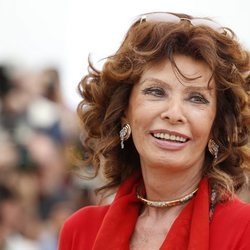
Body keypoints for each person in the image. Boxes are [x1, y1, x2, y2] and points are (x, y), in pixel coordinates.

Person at [58, 11, 250, 250]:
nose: (174, 113)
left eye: (197, 98)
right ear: (124, 110)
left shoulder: (244, 231)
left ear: (216, 124)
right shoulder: (80, 231)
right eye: (156, 92)